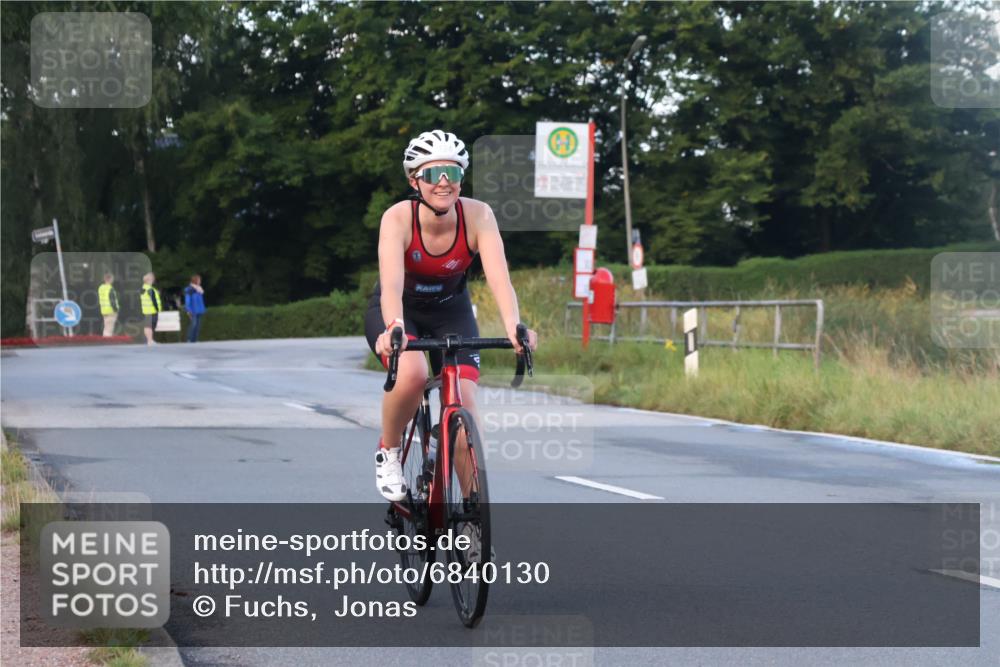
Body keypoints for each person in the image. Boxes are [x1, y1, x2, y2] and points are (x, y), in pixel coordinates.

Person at [365, 129, 538, 501]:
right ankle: (389, 451)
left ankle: (474, 527)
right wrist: (394, 327)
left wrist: (514, 326)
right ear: (415, 180)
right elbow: (392, 286)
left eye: (453, 173)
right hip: (400, 312)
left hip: (451, 311)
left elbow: (500, 279)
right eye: (432, 174)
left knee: (465, 413)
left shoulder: (479, 216)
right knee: (412, 374)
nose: (444, 183)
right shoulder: (397, 218)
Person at [140, 272, 162, 346]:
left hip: (146, 310)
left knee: (148, 326)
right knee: (150, 326)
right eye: (152, 279)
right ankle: (150, 341)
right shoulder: (150, 289)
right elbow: (154, 300)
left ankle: (150, 340)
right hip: (152, 310)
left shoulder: (143, 288)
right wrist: (157, 308)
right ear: (150, 280)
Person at [183, 274, 207, 342]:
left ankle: (195, 339)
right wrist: (188, 310)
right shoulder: (189, 289)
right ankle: (189, 339)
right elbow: (187, 300)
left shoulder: (199, 289)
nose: (200, 281)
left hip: (199, 310)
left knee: (198, 326)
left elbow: (200, 300)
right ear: (195, 280)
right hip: (193, 310)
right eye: (199, 280)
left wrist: (203, 309)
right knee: (193, 324)